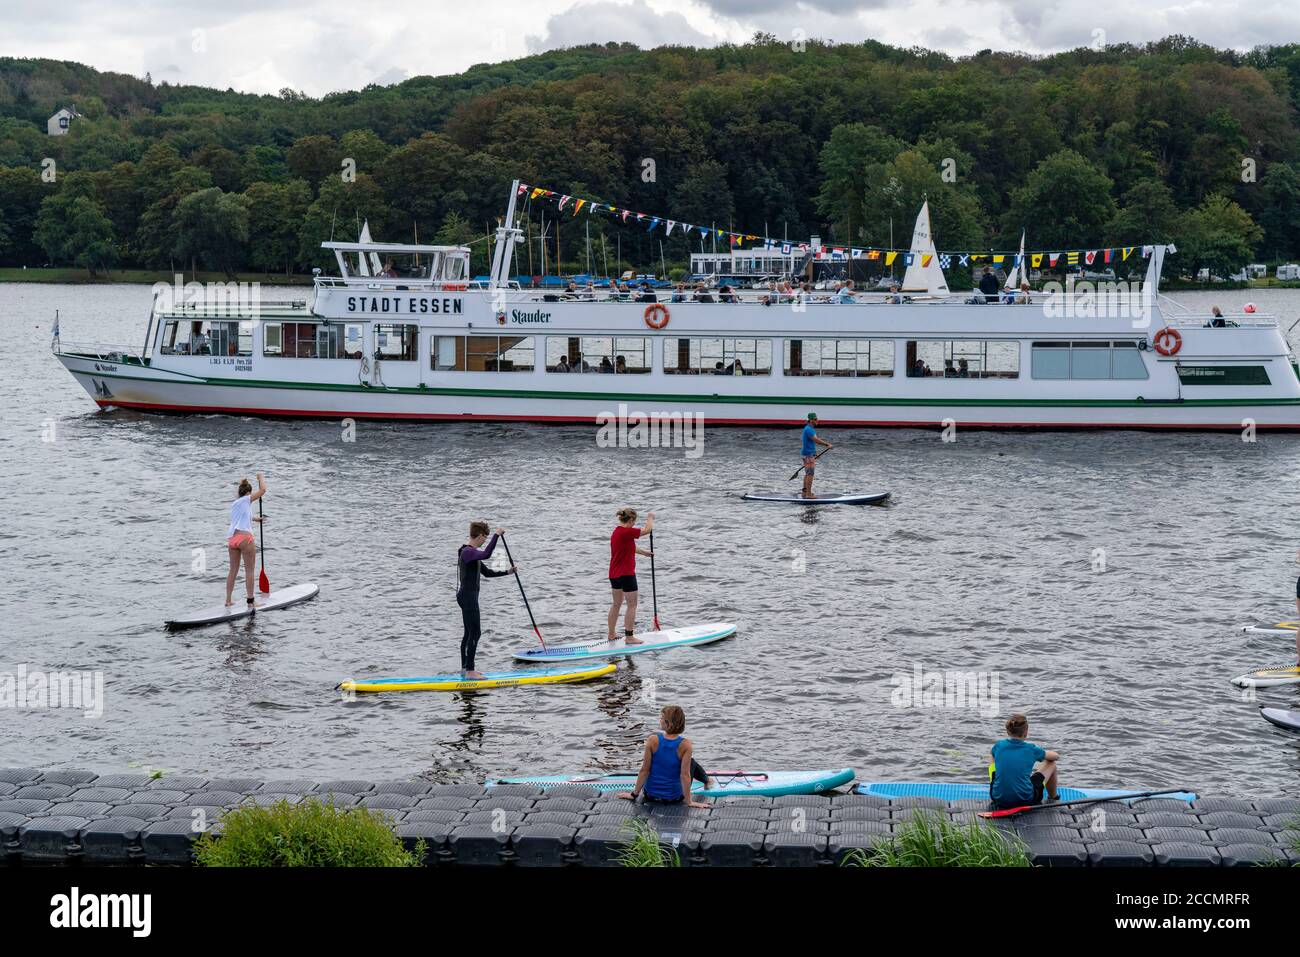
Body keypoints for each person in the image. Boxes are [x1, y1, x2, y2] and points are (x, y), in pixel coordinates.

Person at [617, 705, 712, 808]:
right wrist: (689, 802)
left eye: (662, 718)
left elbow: (644, 770)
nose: (660, 720)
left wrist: (633, 794)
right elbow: (685, 775)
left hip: (650, 796)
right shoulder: (686, 745)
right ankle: (707, 780)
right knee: (691, 763)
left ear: (669, 723)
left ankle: (707, 780)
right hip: (674, 798)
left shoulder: (652, 740)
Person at [456, 522, 517, 680]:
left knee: (469, 633)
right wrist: (496, 535)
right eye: (486, 538)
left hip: (467, 596)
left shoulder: (472, 554)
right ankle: (470, 671)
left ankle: (465, 669)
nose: (485, 541)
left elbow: (488, 573)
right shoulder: (468, 552)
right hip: (468, 597)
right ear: (481, 535)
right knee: (475, 632)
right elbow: (488, 554)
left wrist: (508, 572)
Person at [989, 713, 1060, 809]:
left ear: (1008, 731)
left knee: (993, 755)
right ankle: (1053, 797)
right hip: (1025, 800)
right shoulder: (1031, 749)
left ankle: (998, 785)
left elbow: (993, 755)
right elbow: (1055, 756)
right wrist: (1043, 754)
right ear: (1026, 732)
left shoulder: (999, 746)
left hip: (997, 798)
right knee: (1051, 764)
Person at [608, 508, 653, 644]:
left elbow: (629, 547)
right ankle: (629, 637)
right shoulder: (628, 531)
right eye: (634, 522)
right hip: (626, 574)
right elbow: (647, 529)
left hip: (614, 574)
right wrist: (650, 517)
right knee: (632, 605)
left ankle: (611, 634)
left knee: (616, 604)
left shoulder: (617, 532)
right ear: (631, 520)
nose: (634, 524)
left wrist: (643, 552)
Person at [225, 473, 267, 609]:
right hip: (245, 539)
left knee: (233, 571)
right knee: (249, 571)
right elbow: (263, 491)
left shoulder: (235, 504)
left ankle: (228, 600)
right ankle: (251, 602)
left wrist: (256, 519)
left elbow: (243, 517)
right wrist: (261, 478)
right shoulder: (246, 499)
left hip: (232, 540)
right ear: (248, 493)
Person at [800, 412, 832, 499]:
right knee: (810, 474)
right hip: (808, 454)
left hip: (807, 453)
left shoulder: (808, 429)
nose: (817, 420)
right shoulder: (809, 429)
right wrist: (827, 444)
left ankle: (804, 492)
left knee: (807, 473)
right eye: (815, 419)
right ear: (810, 420)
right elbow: (816, 440)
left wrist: (815, 453)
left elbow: (809, 443)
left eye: (817, 419)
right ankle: (808, 494)